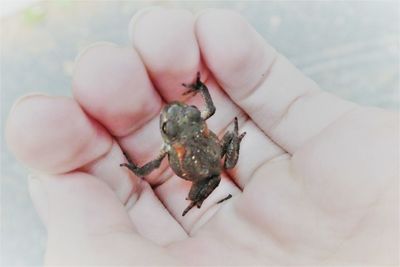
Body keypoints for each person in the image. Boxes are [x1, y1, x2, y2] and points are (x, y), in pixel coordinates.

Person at [5, 8, 398, 265]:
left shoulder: (172, 146)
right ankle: (212, 180)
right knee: (220, 157)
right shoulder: (200, 124)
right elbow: (196, 118)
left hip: (205, 170)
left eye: (183, 114)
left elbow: (149, 169)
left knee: (205, 174)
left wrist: (136, 168)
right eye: (177, 119)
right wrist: (201, 94)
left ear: (187, 124)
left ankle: (200, 198)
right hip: (212, 165)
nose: (182, 113)